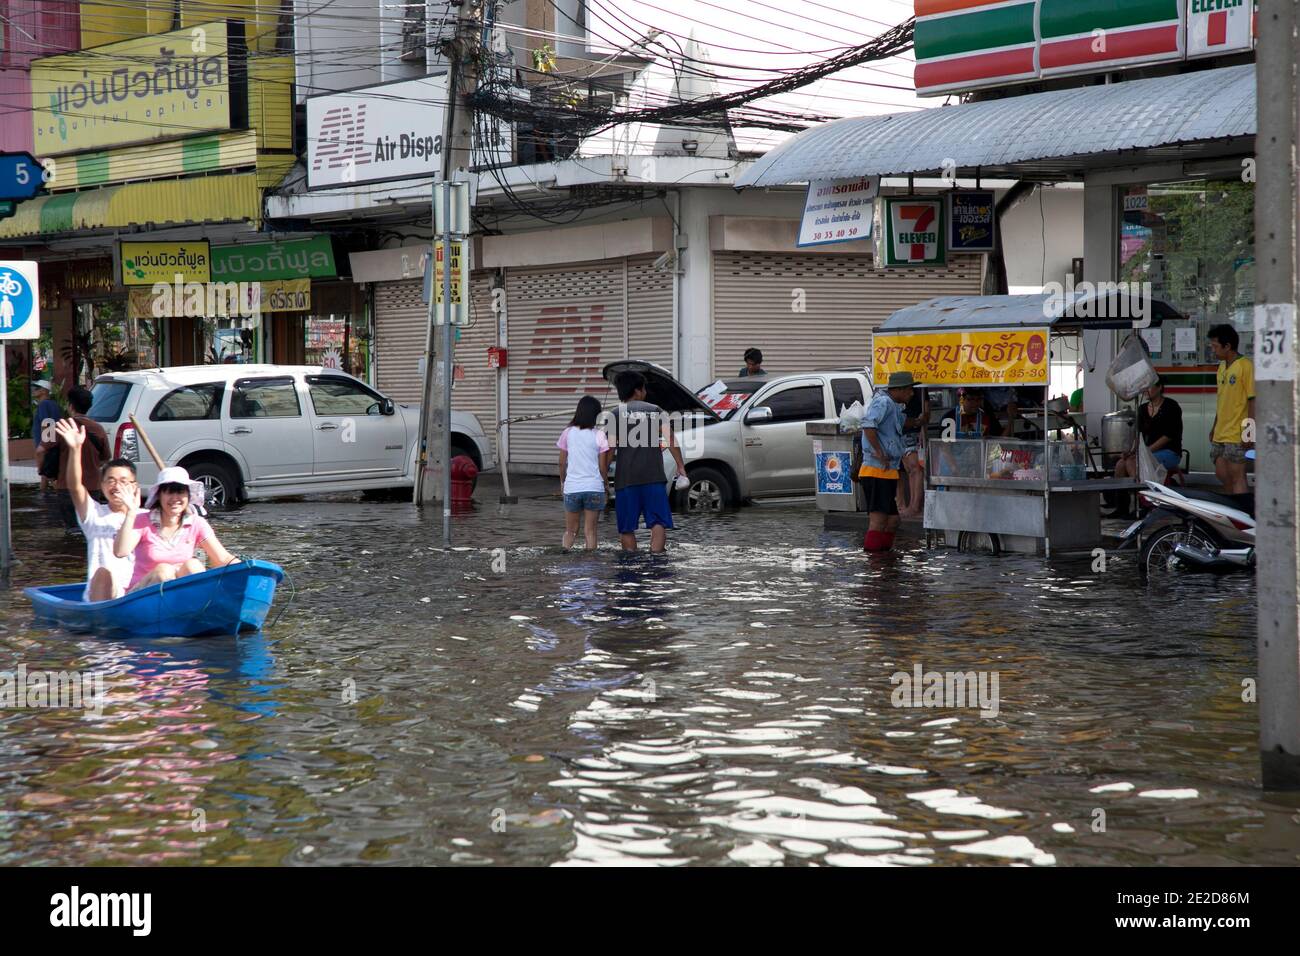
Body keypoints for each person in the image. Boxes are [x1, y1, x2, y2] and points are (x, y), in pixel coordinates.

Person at [53, 418, 138, 602]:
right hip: (102, 593)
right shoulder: (94, 514)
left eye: (123, 481)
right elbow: (75, 486)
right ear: (102, 485)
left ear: (134, 486)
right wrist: (75, 449)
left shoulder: (145, 517)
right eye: (111, 480)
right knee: (104, 573)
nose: (117, 486)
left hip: (136, 593)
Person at [114, 466, 236, 592]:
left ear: (188, 496)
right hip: (142, 593)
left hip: (178, 596)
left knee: (193, 565)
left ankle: (193, 607)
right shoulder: (142, 520)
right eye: (169, 492)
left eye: (180, 492)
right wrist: (131, 512)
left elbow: (223, 558)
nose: (175, 498)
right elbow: (120, 552)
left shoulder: (197, 523)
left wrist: (250, 569)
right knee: (164, 570)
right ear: (159, 496)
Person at [610, 370, 687, 554]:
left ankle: (631, 563)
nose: (645, 392)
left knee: (627, 527)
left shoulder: (614, 414)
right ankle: (657, 560)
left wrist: (603, 475)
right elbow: (670, 439)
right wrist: (680, 466)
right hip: (653, 477)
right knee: (658, 521)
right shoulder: (655, 410)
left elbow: (608, 450)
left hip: (625, 480)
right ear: (637, 390)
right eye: (644, 389)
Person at [37, 386, 108, 529]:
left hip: (66, 487)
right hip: (93, 488)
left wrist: (45, 474)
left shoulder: (58, 426)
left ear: (70, 406)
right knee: (90, 528)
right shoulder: (99, 429)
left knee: (71, 530)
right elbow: (105, 459)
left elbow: (40, 450)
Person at [859, 371, 914, 552]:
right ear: (898, 389)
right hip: (876, 470)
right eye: (909, 389)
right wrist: (879, 452)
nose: (911, 393)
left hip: (887, 470)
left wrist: (919, 421)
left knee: (893, 520)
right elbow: (868, 425)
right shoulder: (883, 401)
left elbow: (896, 425)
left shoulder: (893, 405)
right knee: (879, 520)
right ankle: (874, 563)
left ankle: (884, 558)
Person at [556, 395, 612, 550]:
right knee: (591, 532)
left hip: (572, 488)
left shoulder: (567, 433)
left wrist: (562, 482)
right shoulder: (600, 435)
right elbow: (602, 468)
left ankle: (565, 558)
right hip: (594, 488)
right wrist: (606, 486)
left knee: (570, 531)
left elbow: (561, 463)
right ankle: (591, 565)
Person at [1208, 323, 1255, 495]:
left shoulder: (1246, 366)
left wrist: (1249, 432)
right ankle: (1233, 511)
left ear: (1227, 346)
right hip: (1220, 432)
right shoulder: (1221, 367)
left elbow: (1253, 400)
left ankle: (1243, 515)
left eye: (1215, 346)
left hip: (1237, 432)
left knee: (1237, 476)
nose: (1213, 350)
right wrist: (1214, 427)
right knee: (1221, 474)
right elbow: (1222, 400)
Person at [1114, 378, 1182, 480]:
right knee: (1121, 463)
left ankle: (1141, 492)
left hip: (1169, 453)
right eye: (1143, 387)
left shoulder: (1171, 406)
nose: (1145, 390)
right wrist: (1131, 452)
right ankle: (1121, 495)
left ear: (1159, 387)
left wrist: (1145, 452)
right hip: (1147, 452)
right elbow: (1138, 434)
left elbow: (1169, 436)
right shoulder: (1142, 409)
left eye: (1148, 387)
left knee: (1133, 462)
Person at [896, 382, 930, 519]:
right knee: (910, 470)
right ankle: (909, 506)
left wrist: (923, 427)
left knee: (914, 469)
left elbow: (926, 411)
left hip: (911, 431)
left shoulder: (920, 387)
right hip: (902, 432)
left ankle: (914, 506)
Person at [32, 379, 62, 493]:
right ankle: (42, 494)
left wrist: (44, 445)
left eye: (37, 388)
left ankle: (64, 498)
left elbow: (47, 423)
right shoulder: (53, 404)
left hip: (45, 444)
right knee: (45, 475)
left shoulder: (44, 405)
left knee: (48, 474)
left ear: (45, 391)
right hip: (51, 443)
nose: (34, 390)